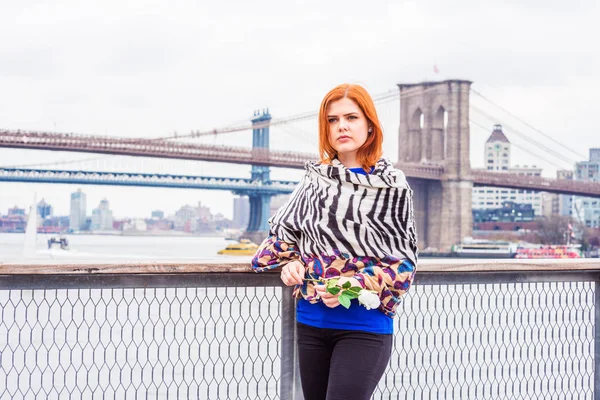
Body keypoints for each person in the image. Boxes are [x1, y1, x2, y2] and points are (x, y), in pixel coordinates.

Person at [251, 83, 418, 400]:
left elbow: (403, 267)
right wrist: (292, 263)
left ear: (369, 125)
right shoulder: (314, 182)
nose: (341, 125)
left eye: (351, 117)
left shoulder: (393, 188)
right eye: (332, 120)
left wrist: (350, 285)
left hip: (364, 328)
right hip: (311, 323)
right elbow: (287, 241)